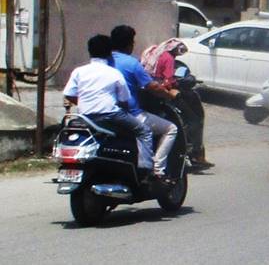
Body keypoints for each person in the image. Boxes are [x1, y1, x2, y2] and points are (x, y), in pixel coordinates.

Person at [63, 35, 154, 173]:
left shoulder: (79, 71)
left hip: (86, 117)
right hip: (111, 115)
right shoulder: (114, 73)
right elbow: (124, 101)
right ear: (109, 53)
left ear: (89, 51)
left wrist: (83, 103)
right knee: (144, 131)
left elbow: (69, 94)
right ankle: (145, 170)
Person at [110, 25, 179, 182]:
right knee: (171, 129)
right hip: (130, 114)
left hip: (104, 114)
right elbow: (152, 87)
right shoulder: (132, 63)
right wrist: (169, 95)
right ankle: (156, 170)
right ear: (129, 44)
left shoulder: (104, 62)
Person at [141, 39, 213, 168]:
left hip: (149, 92)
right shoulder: (168, 57)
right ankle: (195, 151)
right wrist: (175, 85)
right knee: (193, 119)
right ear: (173, 49)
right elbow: (169, 80)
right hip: (163, 92)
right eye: (178, 51)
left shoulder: (155, 54)